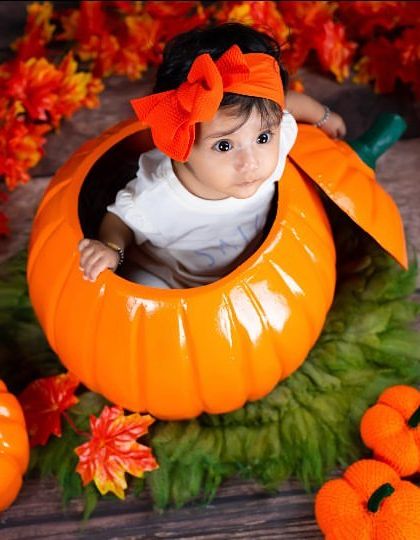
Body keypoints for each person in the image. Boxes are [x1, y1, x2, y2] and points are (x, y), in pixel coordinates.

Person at [78, 22, 346, 288]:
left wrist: (323, 116)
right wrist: (111, 249)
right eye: (224, 146)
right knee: (143, 299)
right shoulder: (158, 198)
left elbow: (288, 105)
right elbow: (121, 220)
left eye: (262, 138)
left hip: (249, 265)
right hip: (170, 275)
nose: (250, 162)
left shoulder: (277, 135)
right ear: (179, 141)